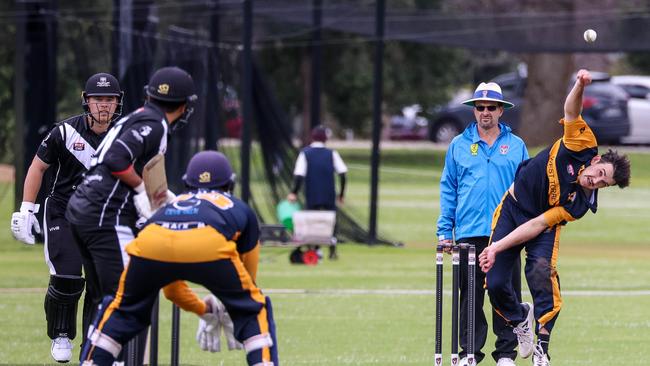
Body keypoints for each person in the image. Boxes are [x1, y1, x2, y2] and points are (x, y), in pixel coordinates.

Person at [479, 69, 631, 366]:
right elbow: (571, 110)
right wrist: (579, 84)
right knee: (496, 283)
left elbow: (537, 225)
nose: (595, 181)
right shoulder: (581, 145)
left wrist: (496, 246)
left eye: (604, 184)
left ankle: (542, 348)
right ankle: (519, 317)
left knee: (539, 273)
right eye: (599, 174)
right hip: (512, 208)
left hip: (541, 223)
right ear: (596, 161)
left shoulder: (579, 205)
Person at [79, 150, 278, 366]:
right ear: (230, 184)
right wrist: (233, 308)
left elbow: (172, 290)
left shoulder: (171, 205)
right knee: (253, 309)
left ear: (186, 183)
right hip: (208, 243)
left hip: (150, 241)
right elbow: (248, 278)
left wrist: (203, 310)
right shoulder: (238, 207)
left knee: (121, 312)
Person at [65, 66, 197, 362]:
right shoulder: (155, 122)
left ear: (151, 94)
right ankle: (108, 360)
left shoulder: (139, 116)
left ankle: (98, 358)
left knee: (108, 300)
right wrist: (139, 191)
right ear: (184, 105)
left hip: (85, 210)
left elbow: (139, 166)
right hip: (104, 215)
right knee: (130, 299)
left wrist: (160, 196)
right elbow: (116, 159)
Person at [10, 73, 123, 363]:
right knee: (67, 274)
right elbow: (37, 168)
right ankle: (61, 335)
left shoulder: (124, 134)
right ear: (86, 101)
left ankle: (94, 344)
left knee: (102, 283)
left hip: (102, 217)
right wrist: (26, 208)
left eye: (109, 99)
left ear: (117, 102)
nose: (104, 105)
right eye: (98, 99)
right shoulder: (64, 132)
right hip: (63, 211)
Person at [437, 81, 528, 366]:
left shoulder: (516, 146)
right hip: (469, 229)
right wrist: (444, 230)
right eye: (480, 108)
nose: (485, 112)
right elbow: (448, 189)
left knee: (505, 291)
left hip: (506, 232)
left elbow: (527, 189)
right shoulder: (458, 145)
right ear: (474, 111)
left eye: (491, 108)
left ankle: (505, 354)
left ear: (501, 110)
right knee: (471, 295)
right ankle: (470, 353)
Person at [287, 125, 348, 259]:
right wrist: (342, 194)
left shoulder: (305, 153)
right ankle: (332, 250)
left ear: (312, 138)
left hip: (312, 193)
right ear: (325, 139)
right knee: (331, 222)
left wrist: (294, 193)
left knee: (311, 221)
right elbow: (343, 173)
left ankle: (314, 250)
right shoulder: (332, 153)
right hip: (328, 194)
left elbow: (299, 175)